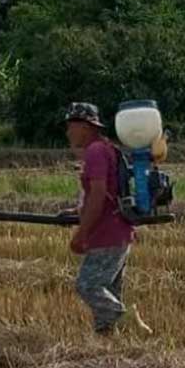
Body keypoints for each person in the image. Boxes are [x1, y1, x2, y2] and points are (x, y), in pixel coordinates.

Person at [63, 102, 136, 336]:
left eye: (71, 126)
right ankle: (109, 346)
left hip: (107, 234)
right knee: (108, 294)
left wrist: (81, 234)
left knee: (88, 286)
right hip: (119, 232)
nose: (68, 132)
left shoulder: (95, 151)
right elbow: (107, 195)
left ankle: (125, 318)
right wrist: (77, 212)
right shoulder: (107, 149)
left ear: (85, 127)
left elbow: (97, 195)